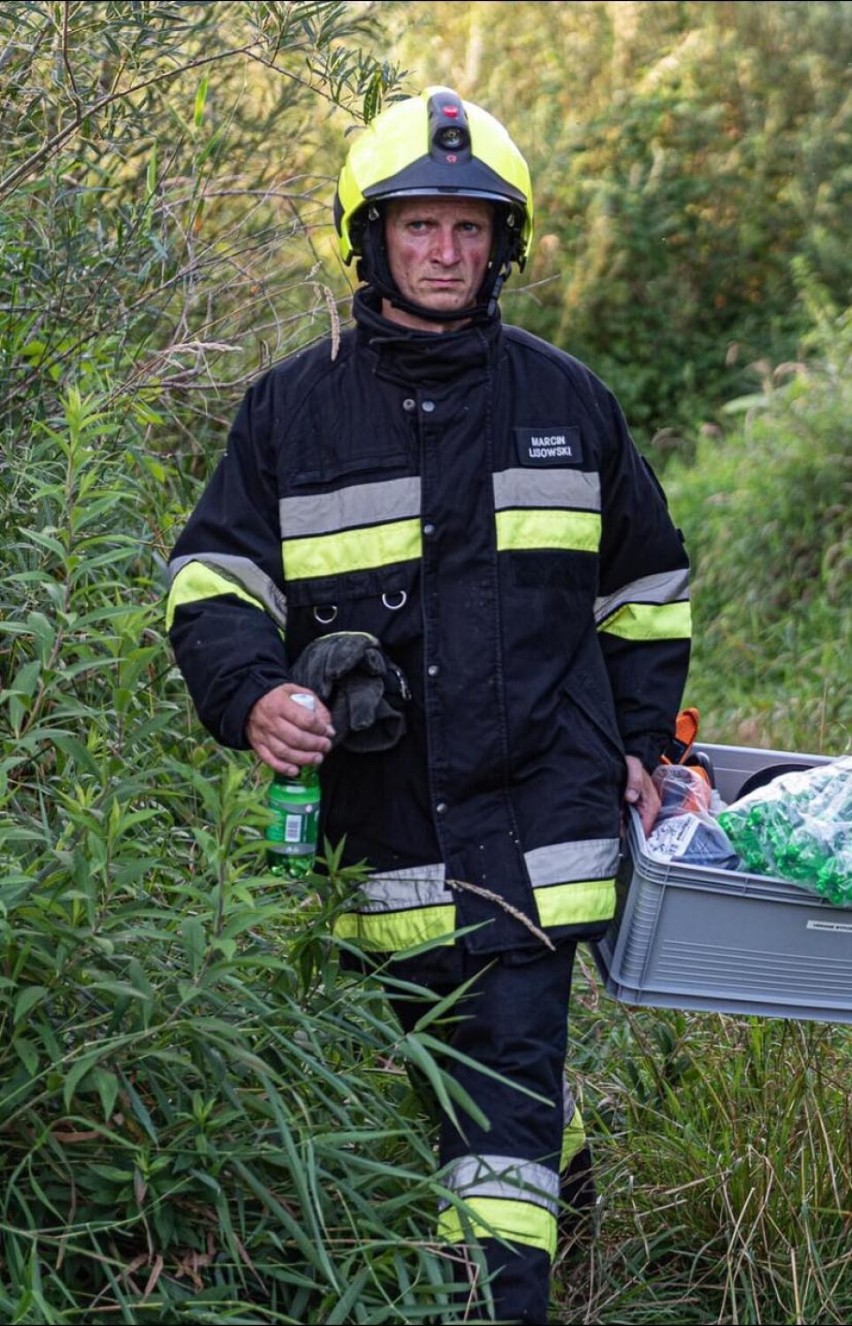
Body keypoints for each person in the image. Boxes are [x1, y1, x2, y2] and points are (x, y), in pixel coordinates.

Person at [166, 86, 691, 1324]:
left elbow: (649, 590)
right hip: (377, 831)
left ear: (503, 243)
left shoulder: (571, 405)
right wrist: (252, 696)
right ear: (371, 240)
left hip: (537, 830)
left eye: (470, 228)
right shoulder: (290, 409)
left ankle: (496, 1296)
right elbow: (215, 580)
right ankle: (560, 1180)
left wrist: (641, 741)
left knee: (494, 1111)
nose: (447, 253)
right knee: (436, 1087)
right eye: (420, 229)